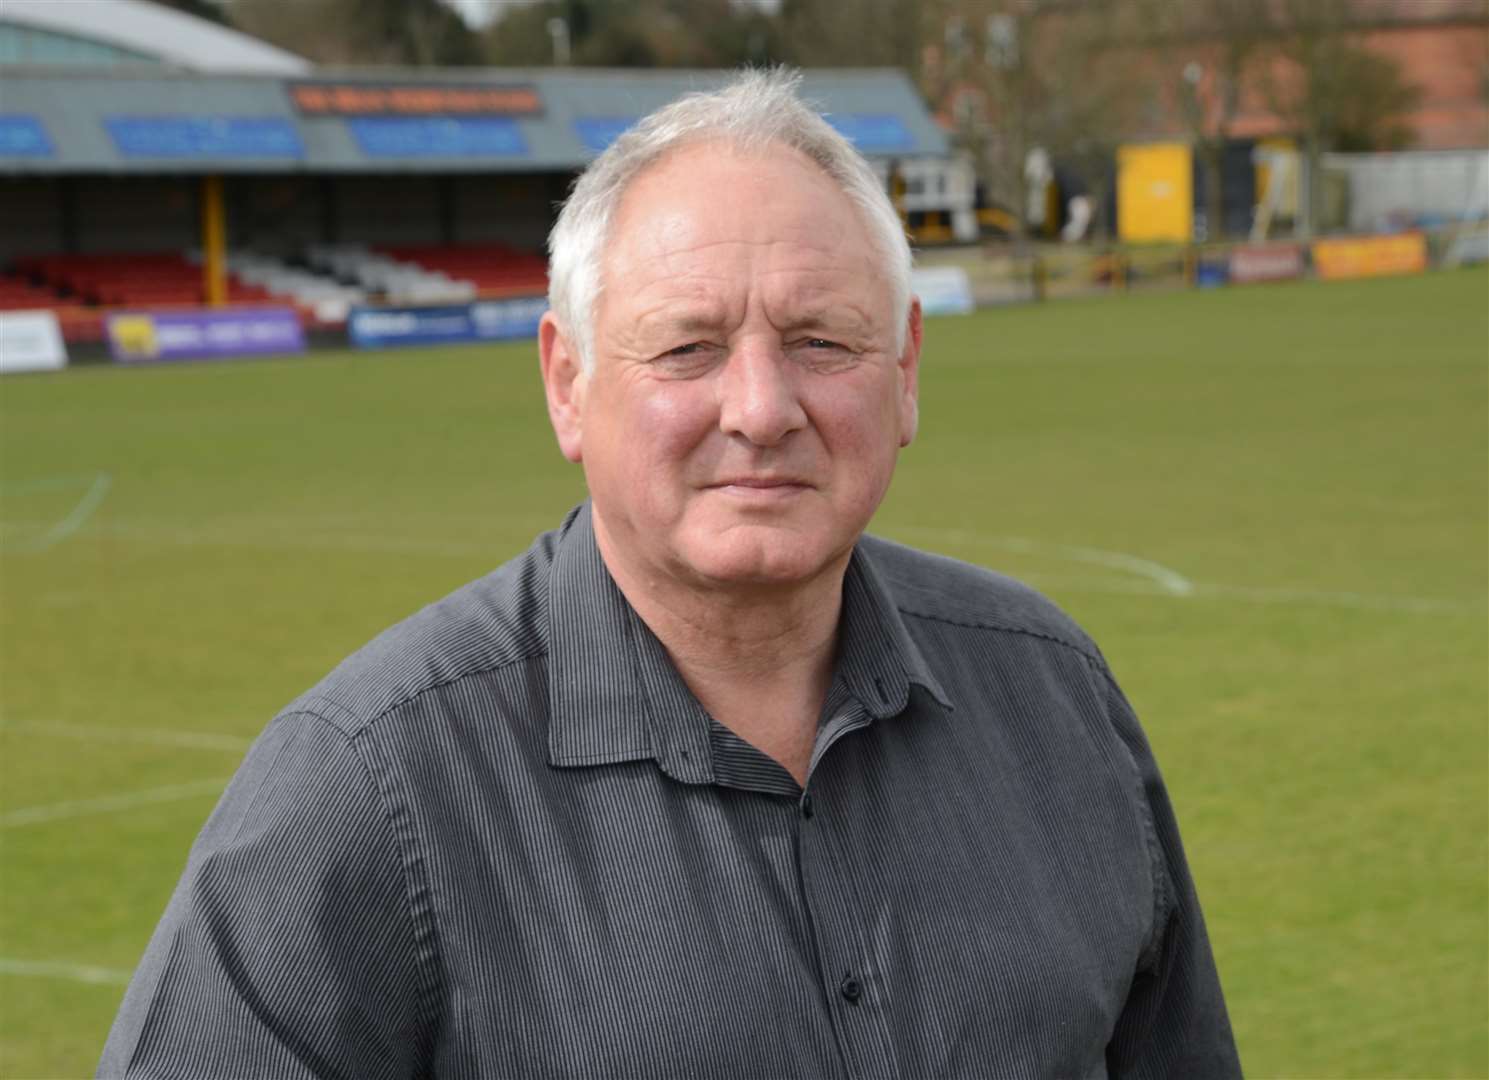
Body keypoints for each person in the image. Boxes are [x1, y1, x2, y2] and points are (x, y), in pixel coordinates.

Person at [99, 69, 1240, 1079]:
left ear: (903, 374)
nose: (759, 410)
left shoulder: (1055, 697)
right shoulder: (364, 789)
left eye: (821, 341)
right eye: (688, 347)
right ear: (565, 382)